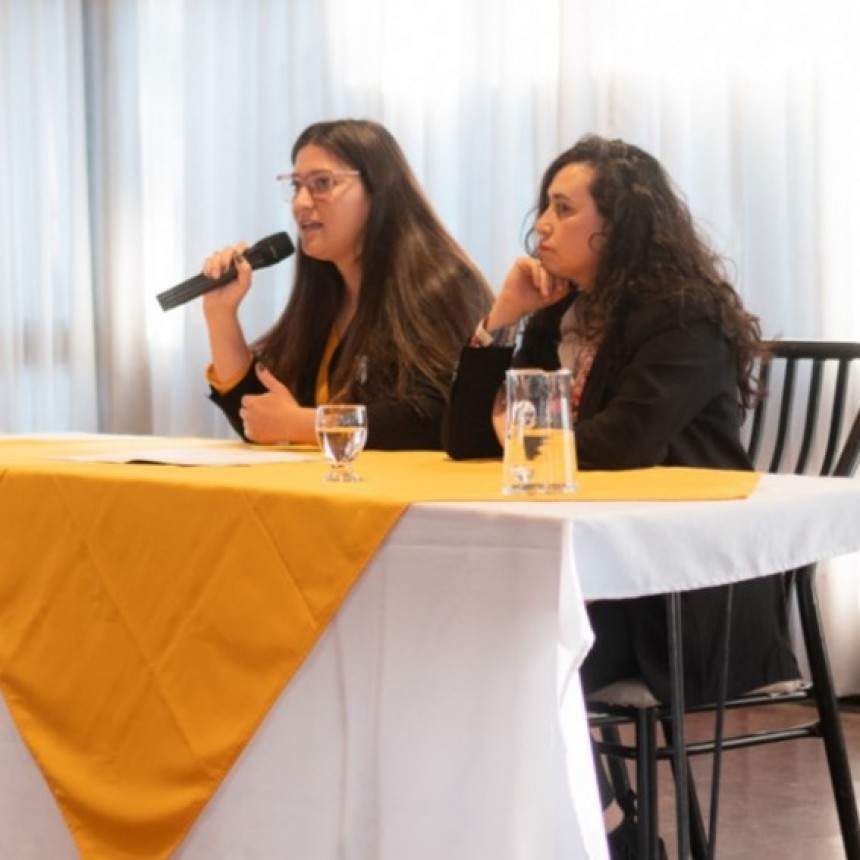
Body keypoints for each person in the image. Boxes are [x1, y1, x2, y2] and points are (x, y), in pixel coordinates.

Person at [442, 134, 800, 857]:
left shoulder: (683, 316)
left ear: (620, 223)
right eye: (544, 205)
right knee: (452, 635)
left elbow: (621, 442)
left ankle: (609, 833)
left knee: (498, 649)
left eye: (562, 207)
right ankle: (597, 828)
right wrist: (498, 321)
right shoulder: (557, 316)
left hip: (686, 599)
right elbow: (466, 441)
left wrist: (517, 427)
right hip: (597, 579)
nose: (540, 223)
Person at [201, 119, 492, 450]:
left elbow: (437, 416)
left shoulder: (443, 284)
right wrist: (220, 313)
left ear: (377, 190)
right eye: (296, 186)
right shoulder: (325, 293)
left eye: (322, 183)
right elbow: (260, 420)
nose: (301, 204)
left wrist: (306, 423)